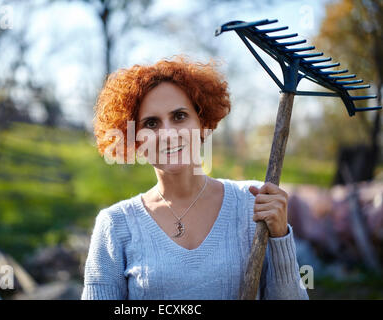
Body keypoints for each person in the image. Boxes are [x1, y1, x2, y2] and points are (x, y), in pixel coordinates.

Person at [81, 55, 309, 300]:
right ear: (134, 138)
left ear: (202, 124)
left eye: (179, 116)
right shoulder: (116, 226)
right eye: (151, 123)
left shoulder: (253, 204)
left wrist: (280, 237)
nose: (168, 134)